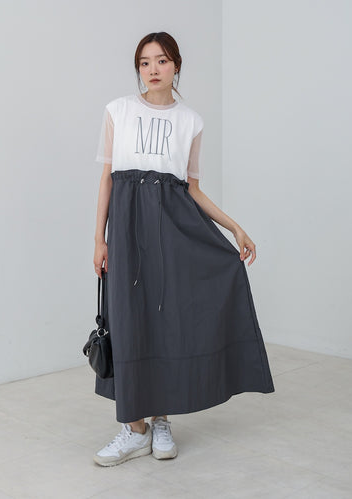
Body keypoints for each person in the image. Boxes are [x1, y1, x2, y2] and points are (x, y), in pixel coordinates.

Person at [92, 32, 275, 467]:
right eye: (144, 62)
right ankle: (134, 428)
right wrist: (99, 238)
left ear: (176, 65)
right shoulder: (118, 110)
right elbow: (107, 180)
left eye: (161, 60)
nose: (152, 69)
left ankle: (160, 421)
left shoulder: (191, 121)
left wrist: (234, 227)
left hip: (174, 230)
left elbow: (191, 190)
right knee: (129, 321)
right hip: (127, 232)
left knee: (167, 320)